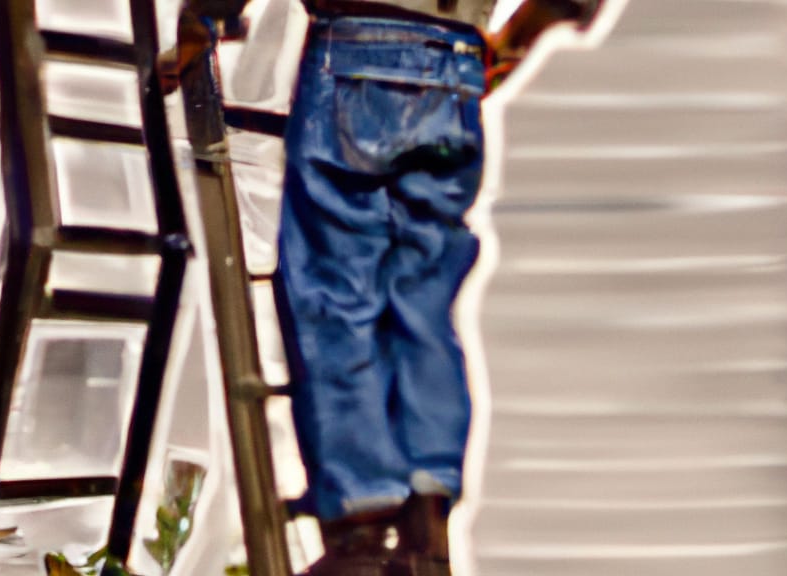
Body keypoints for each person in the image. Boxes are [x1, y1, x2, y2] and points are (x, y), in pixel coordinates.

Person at [160, 1, 601, 574]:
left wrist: (202, 24)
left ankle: (362, 529)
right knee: (422, 303)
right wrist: (515, 40)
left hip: (355, 56)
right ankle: (428, 512)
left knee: (333, 295)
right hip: (455, 70)